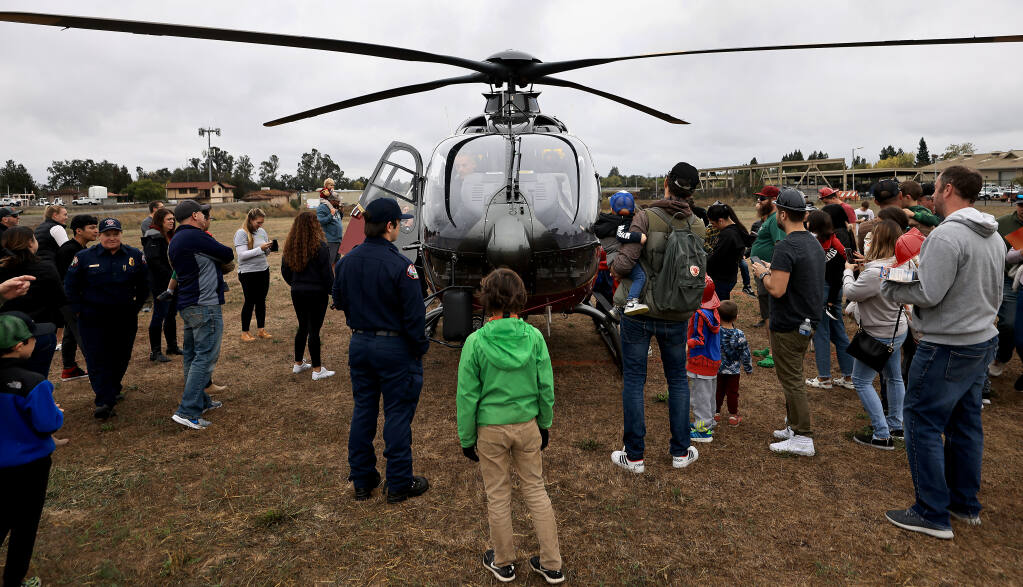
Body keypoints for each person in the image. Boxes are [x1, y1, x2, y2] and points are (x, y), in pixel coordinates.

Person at [881, 166, 1002, 539]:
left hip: (948, 344)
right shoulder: (994, 235)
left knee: (922, 420)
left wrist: (890, 284)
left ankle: (931, 512)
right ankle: (963, 504)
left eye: (934, 188)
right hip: (981, 339)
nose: (930, 196)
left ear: (948, 189)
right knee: (965, 424)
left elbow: (929, 293)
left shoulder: (947, 236)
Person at [456, 268, 564, 584]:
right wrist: (544, 423)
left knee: (498, 495)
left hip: (490, 430)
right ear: (520, 299)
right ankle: (552, 563)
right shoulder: (534, 338)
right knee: (536, 490)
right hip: (528, 425)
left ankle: (503, 561)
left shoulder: (475, 342)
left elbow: (467, 396)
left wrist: (467, 437)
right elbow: (546, 386)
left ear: (486, 300)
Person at [608, 161, 704, 473]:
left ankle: (634, 455)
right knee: (677, 379)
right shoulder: (698, 225)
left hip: (640, 311)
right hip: (676, 312)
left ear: (666, 183)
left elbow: (626, 263)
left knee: (635, 380)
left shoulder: (645, 217)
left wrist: (615, 266)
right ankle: (680, 451)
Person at [332, 197, 429, 502]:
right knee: (397, 413)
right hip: (394, 347)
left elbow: (339, 301)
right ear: (390, 226)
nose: (400, 227)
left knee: (364, 410)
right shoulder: (402, 266)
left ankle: (362, 479)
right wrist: (419, 348)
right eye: (399, 223)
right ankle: (399, 482)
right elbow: (415, 318)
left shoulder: (346, 262)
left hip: (360, 343)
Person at [750, 188, 825, 457]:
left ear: (782, 214)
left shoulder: (786, 246)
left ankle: (803, 437)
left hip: (789, 322)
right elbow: (798, 277)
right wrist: (773, 269)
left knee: (792, 379)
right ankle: (793, 426)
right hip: (807, 320)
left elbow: (777, 289)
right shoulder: (813, 243)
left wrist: (762, 273)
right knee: (793, 375)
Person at [0, 313, 64, 587]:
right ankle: (14, 580)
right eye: (32, 338)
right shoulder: (33, 383)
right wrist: (57, 412)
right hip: (30, 467)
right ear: (19, 346)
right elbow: (47, 424)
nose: (36, 341)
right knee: (25, 525)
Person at [64, 218, 147, 419]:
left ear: (121, 234)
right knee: (96, 358)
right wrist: (78, 311)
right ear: (100, 236)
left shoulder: (134, 255)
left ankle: (113, 387)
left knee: (121, 356)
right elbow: (70, 286)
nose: (112, 238)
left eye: (115, 234)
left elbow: (145, 284)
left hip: (124, 317)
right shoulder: (84, 257)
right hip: (92, 318)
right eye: (107, 234)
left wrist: (135, 307)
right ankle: (104, 401)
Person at [167, 200, 234, 430]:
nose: (206, 219)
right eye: (204, 215)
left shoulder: (177, 238)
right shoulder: (195, 236)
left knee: (192, 355)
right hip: (205, 305)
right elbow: (226, 253)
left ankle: (201, 401)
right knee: (204, 357)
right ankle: (187, 411)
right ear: (195, 215)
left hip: (188, 303)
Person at [842, 220, 908, 450]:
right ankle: (896, 425)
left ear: (877, 240)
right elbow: (881, 278)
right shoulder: (902, 265)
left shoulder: (874, 273)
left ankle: (881, 435)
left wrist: (848, 271)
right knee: (894, 376)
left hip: (878, 334)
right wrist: (868, 265)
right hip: (897, 329)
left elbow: (851, 293)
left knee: (861, 381)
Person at [0, 227, 66, 377]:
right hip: (41, 331)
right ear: (31, 243)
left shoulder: (2, 270)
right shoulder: (46, 267)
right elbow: (60, 300)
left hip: (6, 333)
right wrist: (58, 328)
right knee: (37, 377)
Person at [804, 210, 854, 390]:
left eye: (808, 221)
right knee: (839, 334)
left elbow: (828, 274)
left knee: (821, 334)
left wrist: (830, 302)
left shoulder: (817, 245)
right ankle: (849, 376)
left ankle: (824, 377)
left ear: (814, 226)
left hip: (824, 293)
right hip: (835, 292)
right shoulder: (835, 241)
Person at [282, 211, 335, 380]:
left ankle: (298, 363)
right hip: (316, 293)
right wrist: (333, 292)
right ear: (315, 226)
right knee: (313, 330)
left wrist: (296, 284)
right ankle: (317, 370)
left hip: (298, 292)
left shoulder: (290, 247)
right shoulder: (321, 247)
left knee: (303, 326)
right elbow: (327, 275)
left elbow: (285, 272)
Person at [55, 214, 97, 382]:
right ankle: (97, 372)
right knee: (84, 334)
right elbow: (69, 280)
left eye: (96, 227)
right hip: (71, 300)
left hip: (71, 299)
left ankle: (69, 368)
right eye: (91, 227)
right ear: (78, 231)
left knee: (71, 334)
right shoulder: (69, 250)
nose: (96, 231)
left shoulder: (80, 248)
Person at [593, 191, 648, 315]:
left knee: (626, 281)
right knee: (640, 277)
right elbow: (621, 235)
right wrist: (638, 237)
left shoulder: (605, 221)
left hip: (611, 261)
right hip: (620, 259)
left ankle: (617, 307)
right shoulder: (623, 222)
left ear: (612, 209)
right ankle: (632, 302)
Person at [988, 193, 1023, 379]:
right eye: (1021, 205)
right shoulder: (1002, 224)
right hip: (1009, 280)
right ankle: (1002, 356)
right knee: (1008, 323)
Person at [142, 208, 180, 362]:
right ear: (160, 221)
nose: (172, 221)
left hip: (173, 282)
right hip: (160, 283)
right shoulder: (153, 236)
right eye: (168, 219)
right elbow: (154, 262)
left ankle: (172, 346)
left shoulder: (170, 235)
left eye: (173, 219)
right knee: (159, 315)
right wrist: (172, 275)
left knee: (171, 314)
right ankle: (155, 352)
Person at [687, 278, 721, 443]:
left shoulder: (699, 315)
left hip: (700, 361)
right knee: (709, 395)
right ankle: (709, 422)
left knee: (700, 397)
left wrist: (685, 344)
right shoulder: (713, 311)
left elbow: (699, 339)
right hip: (712, 359)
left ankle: (702, 430)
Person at [235, 208, 274, 342]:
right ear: (251, 220)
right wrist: (260, 248)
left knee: (261, 301)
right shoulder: (241, 233)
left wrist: (268, 248)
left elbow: (264, 253)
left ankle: (261, 330)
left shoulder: (262, 231)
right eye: (258, 222)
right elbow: (242, 255)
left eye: (262, 222)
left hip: (263, 270)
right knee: (250, 301)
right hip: (248, 273)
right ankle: (245, 332)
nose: (260, 225)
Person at [749, 186, 785, 328]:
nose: (759, 201)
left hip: (769, 269)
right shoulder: (769, 219)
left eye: (763, 198)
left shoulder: (775, 220)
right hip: (762, 268)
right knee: (765, 301)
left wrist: (772, 268)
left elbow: (779, 245)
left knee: (769, 303)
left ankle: (773, 334)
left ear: (774, 200)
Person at [715, 300, 752, 426]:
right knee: (732, 392)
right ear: (736, 317)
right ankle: (733, 416)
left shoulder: (715, 332)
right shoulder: (739, 334)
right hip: (733, 371)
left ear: (718, 316)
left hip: (717, 368)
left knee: (717, 390)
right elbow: (745, 353)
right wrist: (748, 368)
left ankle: (715, 413)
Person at [706, 202, 750, 300]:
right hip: (729, 277)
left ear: (720, 221)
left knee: (720, 305)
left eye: (713, 223)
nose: (713, 226)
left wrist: (703, 262)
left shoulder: (727, 235)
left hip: (722, 279)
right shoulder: (736, 229)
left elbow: (716, 258)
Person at [858, 180, 909, 254]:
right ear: (901, 195)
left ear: (876, 202)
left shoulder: (864, 228)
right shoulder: (914, 222)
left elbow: (864, 254)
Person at [316, 178, 344, 268]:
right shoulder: (322, 208)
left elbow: (338, 220)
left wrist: (341, 212)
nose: (339, 203)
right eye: (337, 201)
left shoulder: (335, 208)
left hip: (338, 240)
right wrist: (331, 215)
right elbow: (320, 221)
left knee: (336, 264)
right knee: (328, 264)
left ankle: (334, 277)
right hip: (330, 241)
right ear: (332, 200)